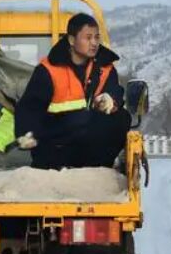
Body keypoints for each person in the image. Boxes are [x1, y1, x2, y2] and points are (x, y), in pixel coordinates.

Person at [15, 13, 131, 170]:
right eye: (88, 38)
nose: (94, 43)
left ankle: (99, 170)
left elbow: (114, 92)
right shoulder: (49, 70)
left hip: (90, 144)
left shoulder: (105, 68)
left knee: (122, 118)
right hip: (56, 144)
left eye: (97, 37)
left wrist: (111, 100)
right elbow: (30, 107)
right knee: (79, 120)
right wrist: (25, 134)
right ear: (71, 40)